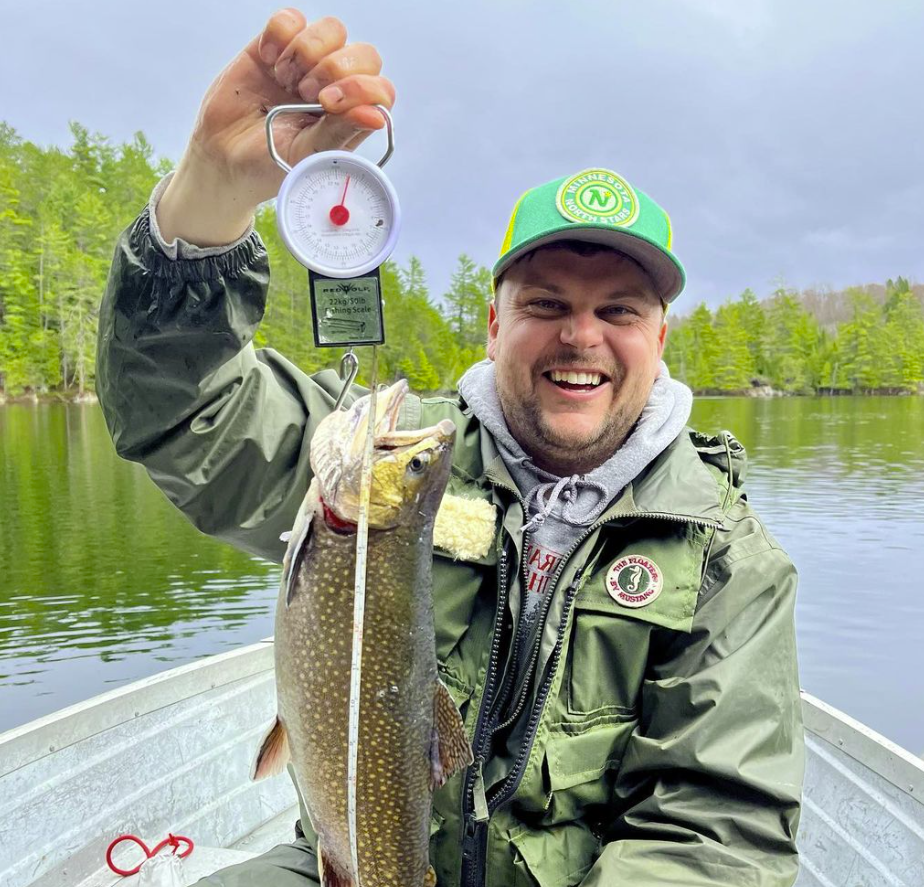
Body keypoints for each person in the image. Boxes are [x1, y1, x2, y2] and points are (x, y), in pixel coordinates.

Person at [96, 9, 804, 887]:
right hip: (343, 860)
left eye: (618, 309)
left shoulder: (728, 557)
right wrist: (209, 190)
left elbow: (717, 835)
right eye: (547, 303)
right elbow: (181, 410)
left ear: (659, 337)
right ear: (496, 320)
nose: (581, 336)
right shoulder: (387, 460)